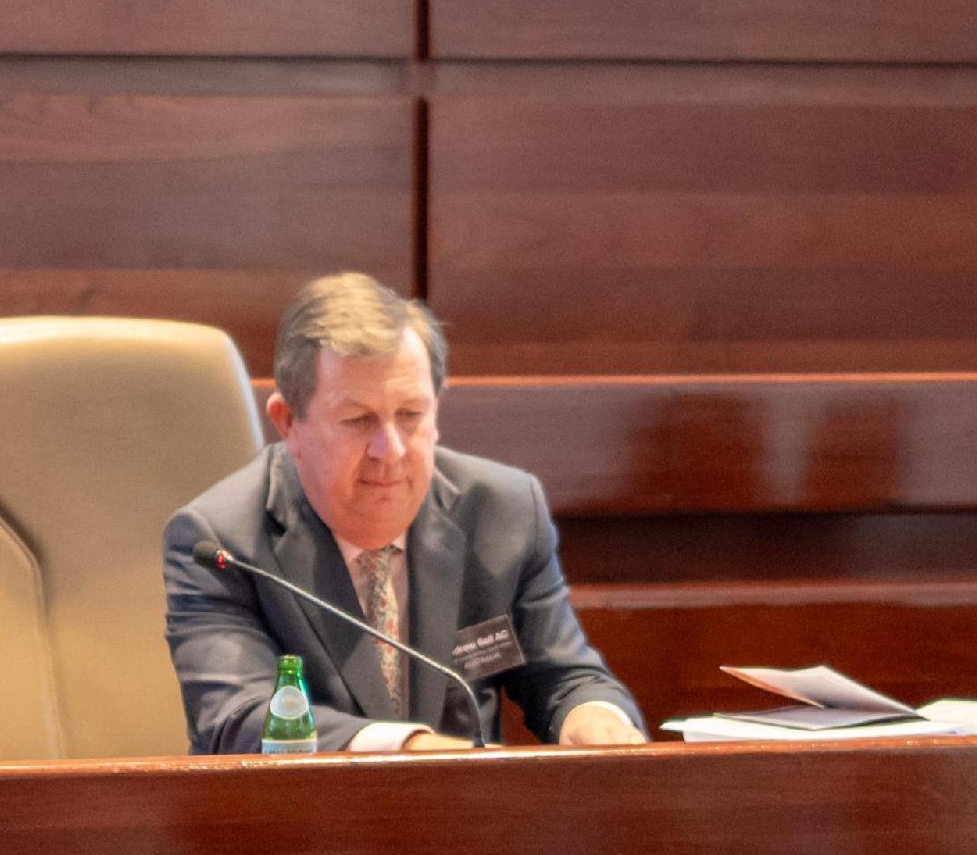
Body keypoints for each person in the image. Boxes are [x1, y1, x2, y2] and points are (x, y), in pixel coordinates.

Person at [167, 275, 643, 754]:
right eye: (358, 420)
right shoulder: (222, 541)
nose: (390, 449)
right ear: (288, 422)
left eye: (411, 414)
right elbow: (240, 718)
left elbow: (563, 676)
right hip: (299, 804)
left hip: (464, 802)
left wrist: (593, 716)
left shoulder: (503, 512)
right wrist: (413, 750)